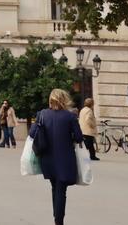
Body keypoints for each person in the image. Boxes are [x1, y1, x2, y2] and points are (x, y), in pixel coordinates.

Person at [34, 89, 84, 225]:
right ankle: (59, 221)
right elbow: (79, 137)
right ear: (64, 99)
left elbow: (33, 134)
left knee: (55, 187)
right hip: (65, 159)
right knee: (61, 190)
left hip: (47, 158)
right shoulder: (70, 116)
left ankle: (57, 218)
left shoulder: (42, 114)